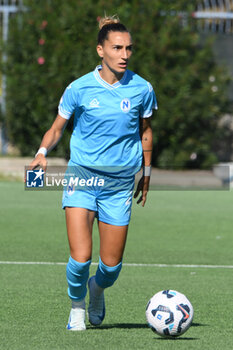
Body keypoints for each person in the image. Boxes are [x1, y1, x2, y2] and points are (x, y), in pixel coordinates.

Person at [29, 15, 157, 331]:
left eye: (129, 48)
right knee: (81, 258)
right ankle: (76, 308)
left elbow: (146, 132)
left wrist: (147, 171)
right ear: (100, 50)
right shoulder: (79, 88)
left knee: (110, 267)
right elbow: (57, 129)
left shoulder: (142, 89)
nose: (124, 54)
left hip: (119, 185)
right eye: (117, 48)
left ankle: (96, 289)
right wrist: (42, 153)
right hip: (82, 179)